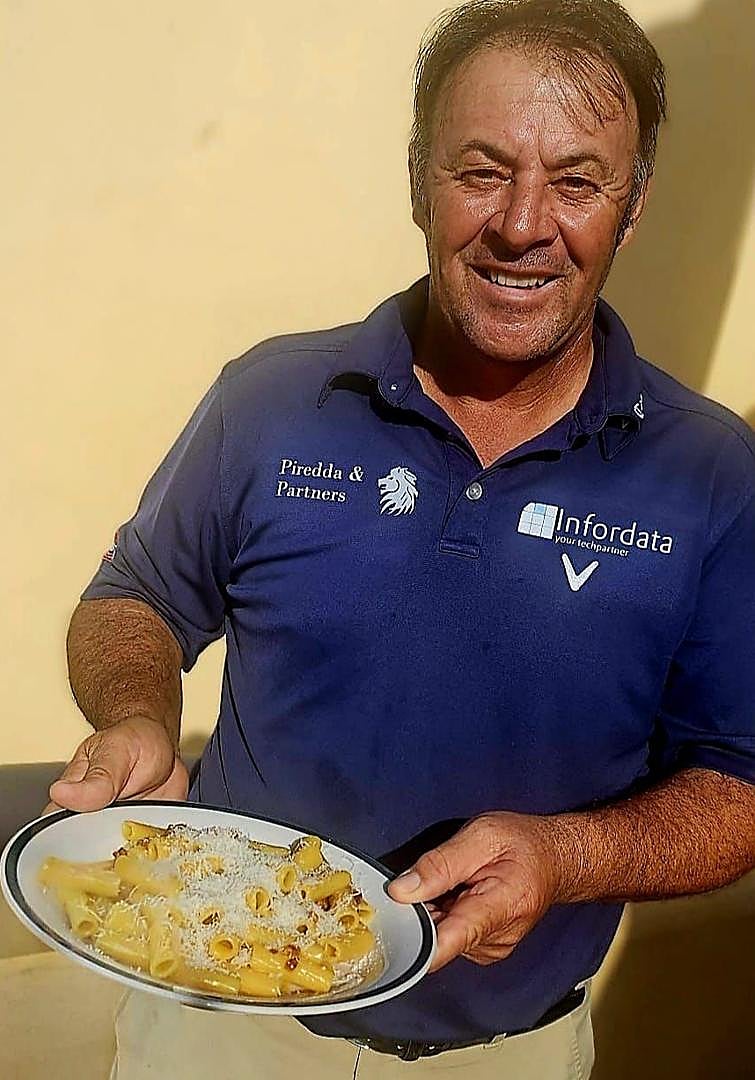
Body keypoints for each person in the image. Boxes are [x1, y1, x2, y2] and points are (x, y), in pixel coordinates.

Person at [46, 1, 755, 1077]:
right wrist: (138, 713)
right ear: (417, 174)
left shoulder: (708, 473)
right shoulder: (273, 397)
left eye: (575, 181)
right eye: (480, 170)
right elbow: (133, 594)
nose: (523, 224)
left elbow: (737, 784)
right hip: (218, 1024)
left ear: (634, 203)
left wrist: (566, 858)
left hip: (507, 1054)